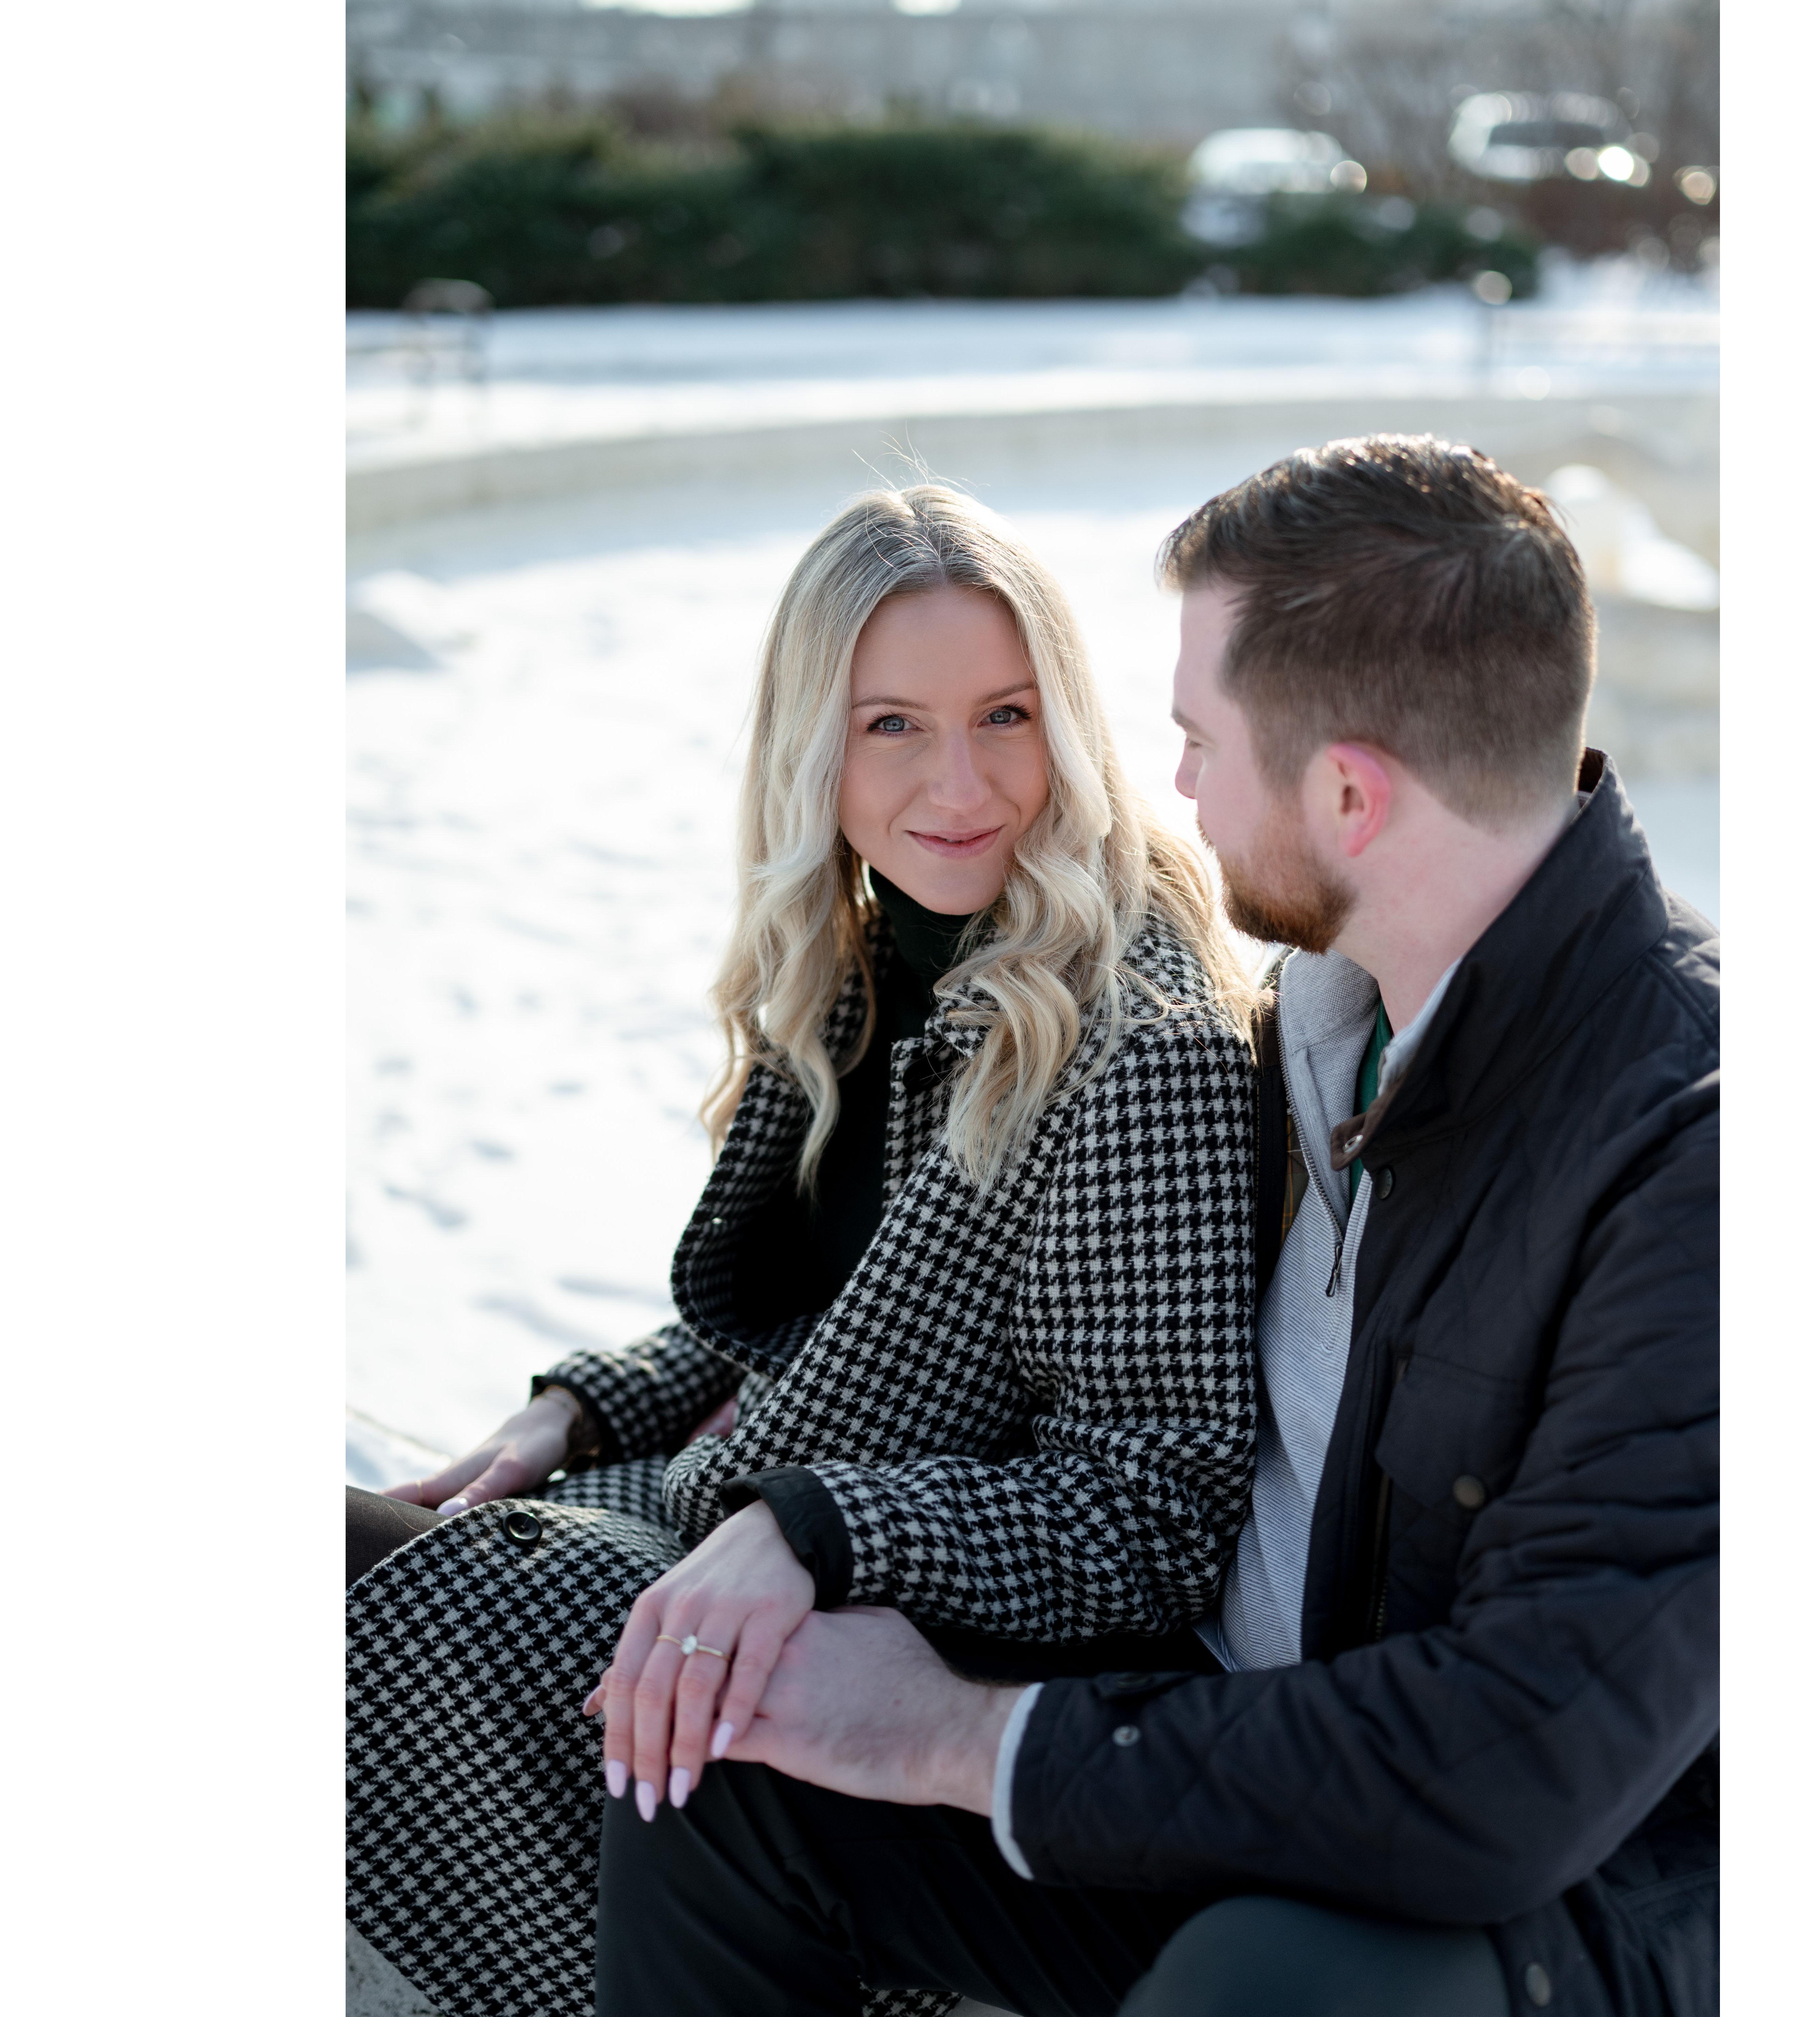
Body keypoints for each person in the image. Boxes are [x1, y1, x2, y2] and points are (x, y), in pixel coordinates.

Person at [591, 435, 1720, 2017]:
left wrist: (959, 1735)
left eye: (1198, 740)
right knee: (723, 1776)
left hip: (1536, 1890)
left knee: (1261, 1986)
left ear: (1347, 794)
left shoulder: (1694, 1155)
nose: (1168, 785)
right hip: (1220, 1737)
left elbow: (1511, 1763)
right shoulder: (1328, 1019)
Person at [345, 485, 1262, 2017]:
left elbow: (1156, 1507)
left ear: (1070, 721)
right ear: (810, 746)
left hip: (901, 1645)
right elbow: (795, 1318)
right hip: (732, 1531)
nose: (960, 784)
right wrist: (578, 1408)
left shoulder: (1131, 1043)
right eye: (892, 725)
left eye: (1007, 716)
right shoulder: (867, 949)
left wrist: (821, 1530)